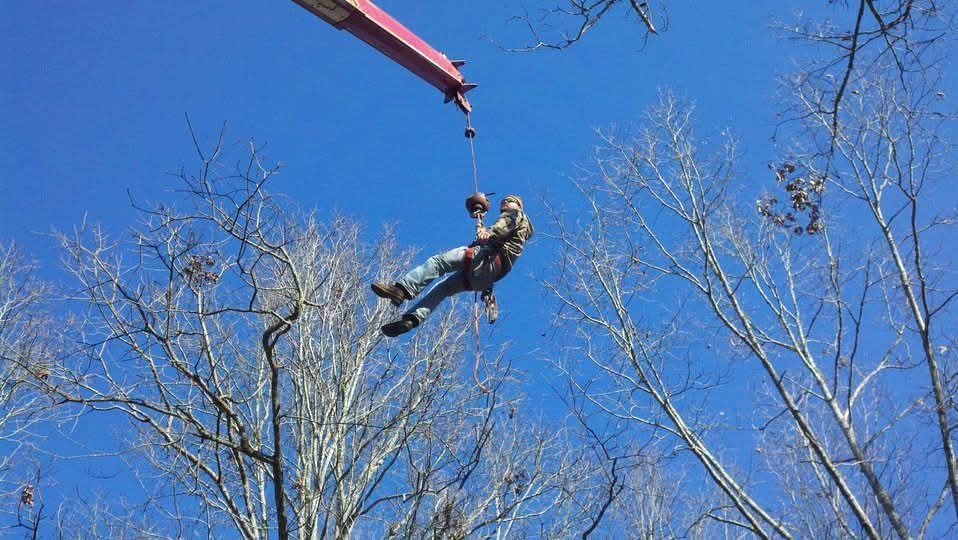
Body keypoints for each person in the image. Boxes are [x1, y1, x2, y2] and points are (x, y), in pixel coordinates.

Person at [371, 194, 534, 337]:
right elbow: (499, 233)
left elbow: (503, 224)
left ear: (518, 205)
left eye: (509, 201)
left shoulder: (516, 214)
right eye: (503, 202)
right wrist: (481, 224)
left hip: (487, 259)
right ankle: (411, 320)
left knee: (438, 262)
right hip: (486, 276)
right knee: (443, 289)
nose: (504, 203)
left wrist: (488, 232)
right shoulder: (516, 236)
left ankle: (401, 290)